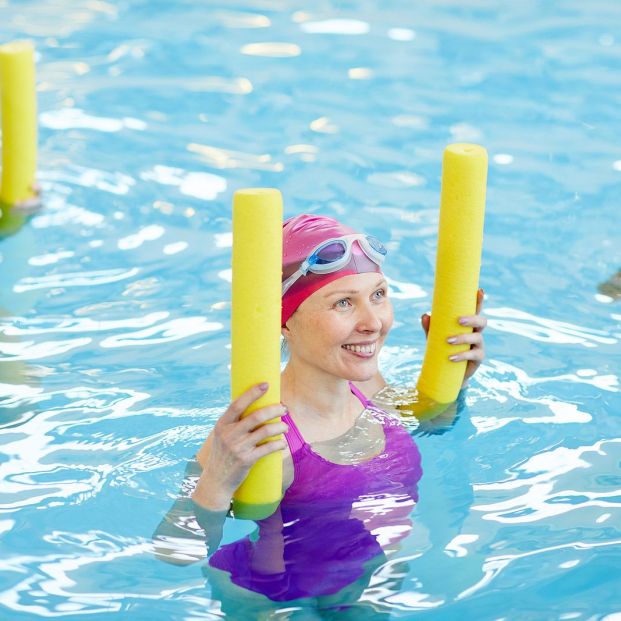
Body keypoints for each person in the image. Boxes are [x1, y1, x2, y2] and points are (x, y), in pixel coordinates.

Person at [153, 214, 486, 615]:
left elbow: (432, 427)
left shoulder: (364, 384)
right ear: (285, 321)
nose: (373, 323)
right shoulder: (259, 432)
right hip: (270, 596)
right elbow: (175, 551)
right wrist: (219, 478)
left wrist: (454, 383)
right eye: (344, 303)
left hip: (361, 566)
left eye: (378, 295)